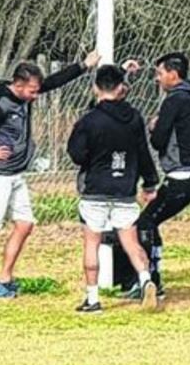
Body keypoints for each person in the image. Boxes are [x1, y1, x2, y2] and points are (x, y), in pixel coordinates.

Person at [0, 50, 100, 299]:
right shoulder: (2, 104)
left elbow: (53, 82)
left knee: (25, 224)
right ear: (19, 85)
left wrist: (83, 66)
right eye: (33, 91)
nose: (37, 95)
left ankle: (6, 275)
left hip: (17, 174)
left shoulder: (26, 97)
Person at [67, 64, 160, 313]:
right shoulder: (134, 118)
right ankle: (146, 280)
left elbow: (76, 154)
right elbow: (143, 152)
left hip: (95, 190)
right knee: (131, 242)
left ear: (96, 88)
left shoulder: (89, 120)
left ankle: (93, 298)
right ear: (122, 88)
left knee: (91, 243)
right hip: (125, 190)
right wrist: (150, 182)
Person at [121, 53, 190, 299]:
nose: (157, 79)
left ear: (173, 74)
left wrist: (153, 127)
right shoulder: (189, 97)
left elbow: (159, 139)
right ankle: (152, 278)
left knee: (145, 223)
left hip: (185, 174)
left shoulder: (174, 100)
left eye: (159, 73)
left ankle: (150, 281)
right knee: (150, 220)